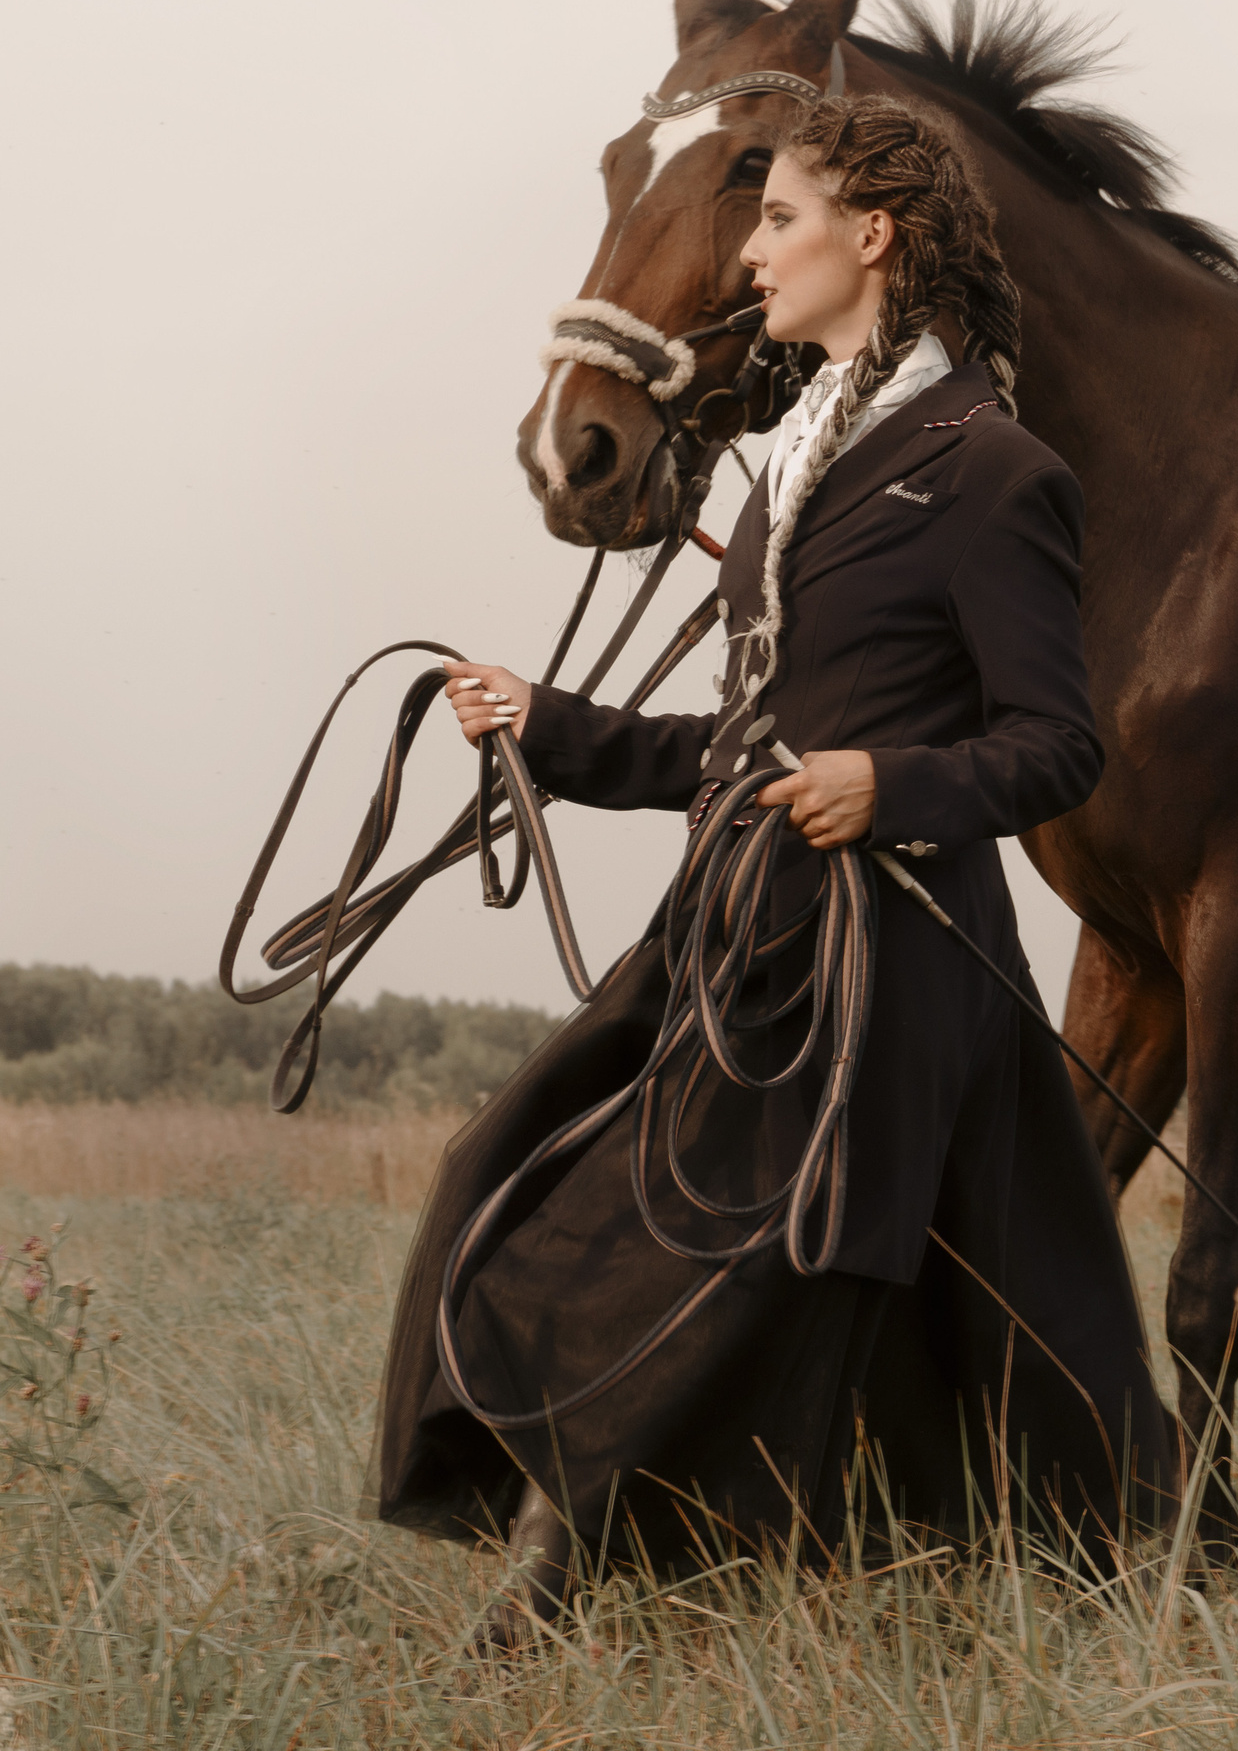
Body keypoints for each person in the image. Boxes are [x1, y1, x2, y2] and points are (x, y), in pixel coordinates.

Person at [373, 95, 1180, 1642]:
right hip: (744, 930)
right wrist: (552, 729)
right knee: (516, 1181)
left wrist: (896, 785)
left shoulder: (994, 472)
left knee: (740, 1261)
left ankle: (566, 1594)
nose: (749, 253)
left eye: (777, 220)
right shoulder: (789, 467)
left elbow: (1057, 748)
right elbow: (742, 741)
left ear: (871, 240)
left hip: (894, 957)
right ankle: (865, 1571)